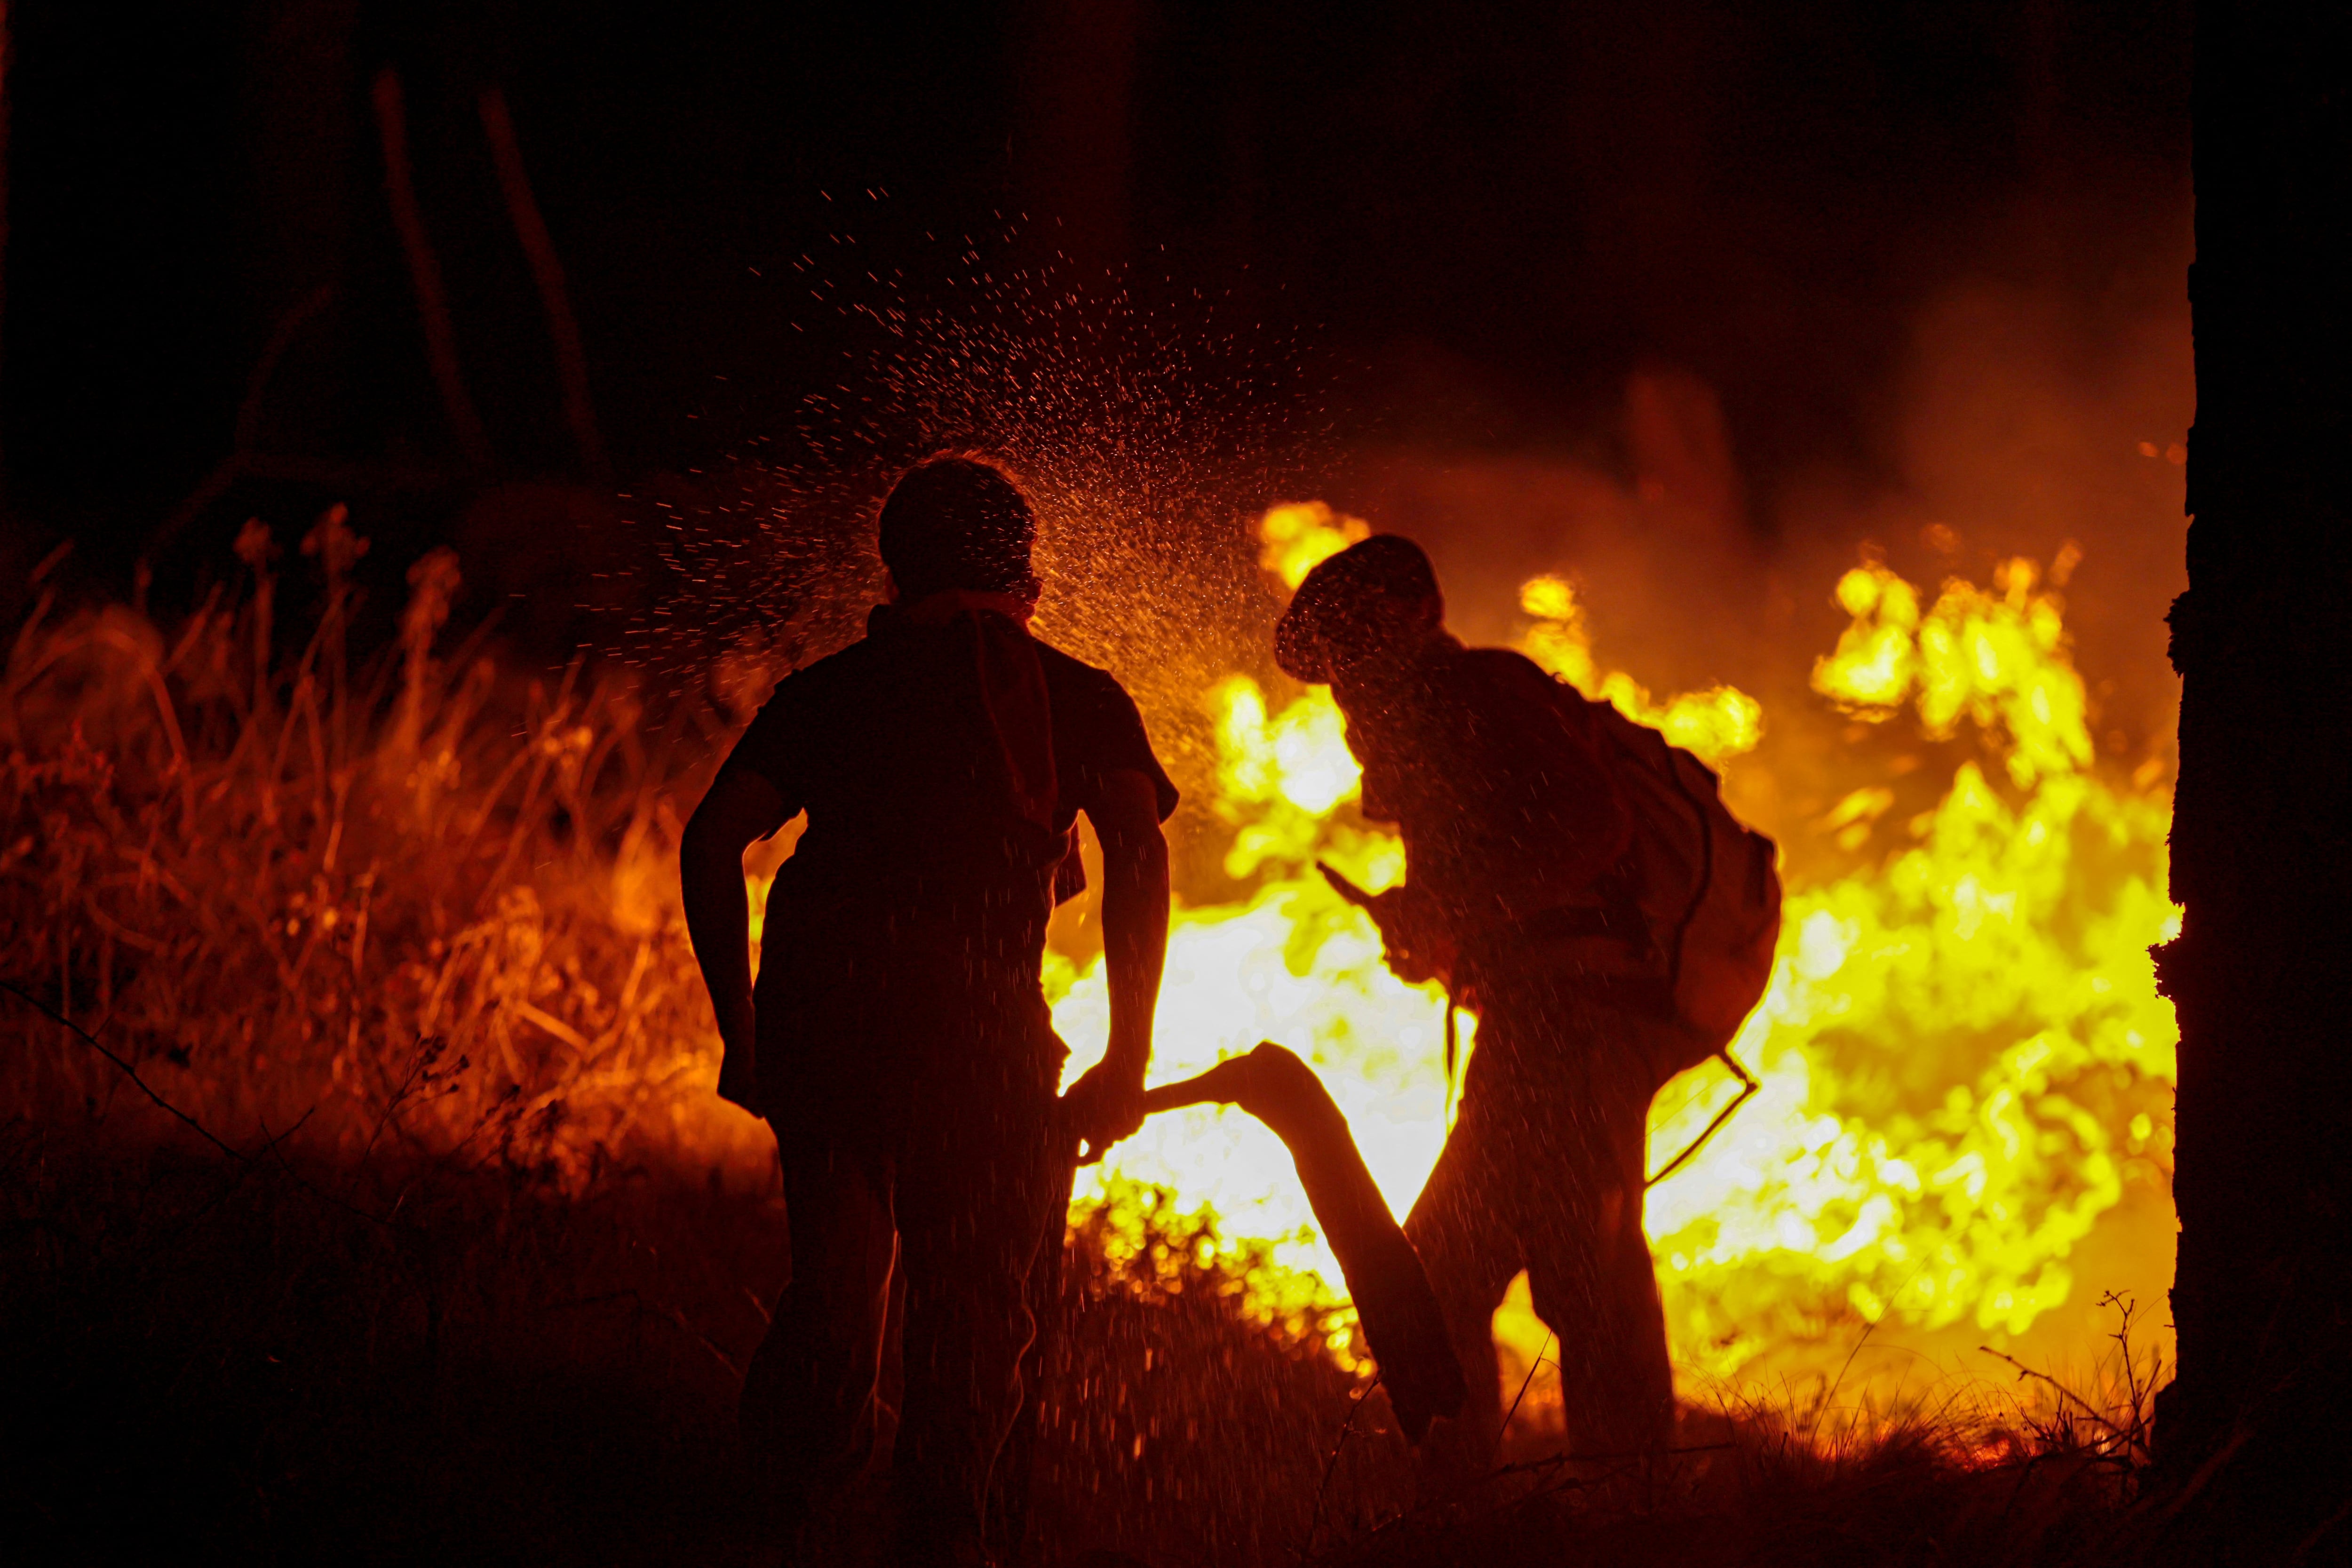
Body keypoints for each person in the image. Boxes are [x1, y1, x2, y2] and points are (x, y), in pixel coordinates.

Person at [681, 455, 1176, 1566]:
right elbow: (1138, 853)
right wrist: (1127, 1053)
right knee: (972, 1329)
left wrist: (740, 1027)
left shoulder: (834, 690)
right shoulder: (1077, 694)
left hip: (830, 1031)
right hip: (985, 1048)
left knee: (836, 1306)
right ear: (1027, 574)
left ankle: (774, 1527)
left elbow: (714, 837)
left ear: (896, 571)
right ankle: (943, 1540)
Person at [1272, 534, 1678, 1469]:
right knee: (1474, 1267)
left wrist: (1451, 908)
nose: (1344, 681)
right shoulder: (1430, 734)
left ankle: (1614, 1518)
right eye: (1332, 661)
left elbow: (1592, 825)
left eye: (1354, 646)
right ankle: (1507, 1512)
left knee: (1557, 1272)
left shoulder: (1479, 694)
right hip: (1537, 1018)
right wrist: (1431, 937)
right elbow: (1492, 889)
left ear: (1412, 620)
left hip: (1573, 1013)